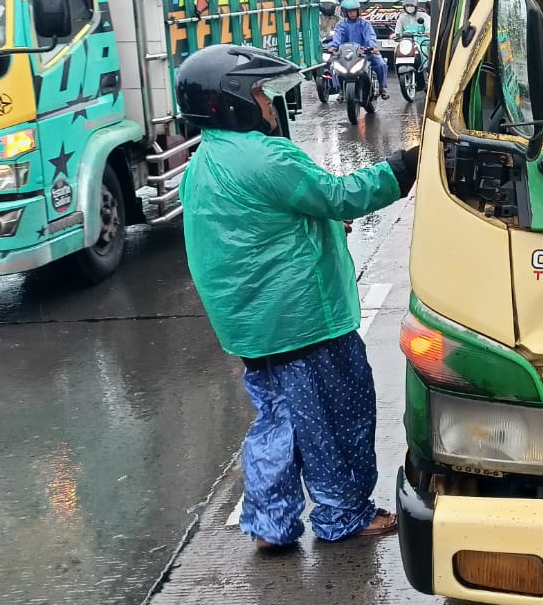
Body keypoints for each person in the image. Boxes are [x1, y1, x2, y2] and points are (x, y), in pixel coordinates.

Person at [176, 45, 420, 553]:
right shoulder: (266, 156)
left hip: (251, 326)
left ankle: (270, 523)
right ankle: (343, 515)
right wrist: (405, 166)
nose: (270, 103)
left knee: (279, 419)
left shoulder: (204, 162)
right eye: (261, 92)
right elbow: (341, 195)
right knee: (336, 415)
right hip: (303, 319)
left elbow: (258, 224)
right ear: (235, 98)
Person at [330, 0, 389, 97]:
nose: (352, 13)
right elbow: (337, 37)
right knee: (333, 67)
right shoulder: (341, 25)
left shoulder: (365, 24)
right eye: (349, 11)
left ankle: (383, 88)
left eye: (354, 11)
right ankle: (340, 90)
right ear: (345, 13)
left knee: (380, 64)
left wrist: (372, 47)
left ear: (358, 11)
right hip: (345, 55)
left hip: (365, 53)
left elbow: (370, 36)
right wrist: (334, 47)